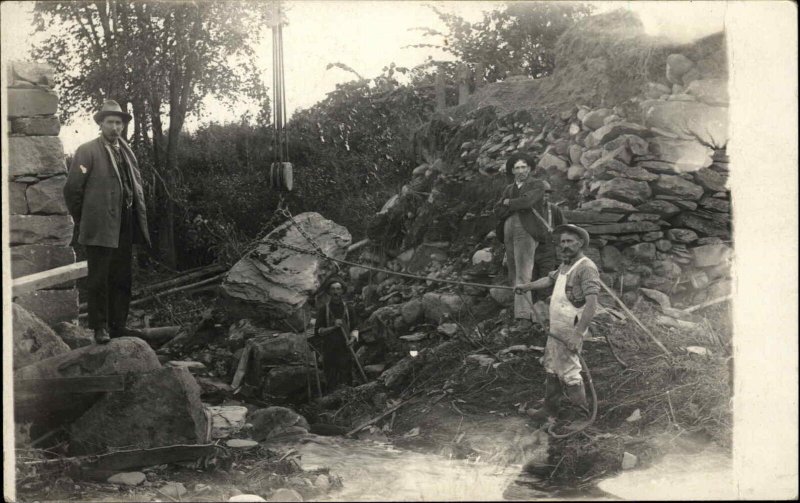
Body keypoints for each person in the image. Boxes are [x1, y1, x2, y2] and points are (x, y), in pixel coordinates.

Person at [63, 100, 150, 344]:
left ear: (123, 126)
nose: (115, 127)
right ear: (101, 124)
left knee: (122, 275)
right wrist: (85, 218)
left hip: (124, 222)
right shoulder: (87, 151)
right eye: (110, 122)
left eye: (119, 123)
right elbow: (72, 190)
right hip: (99, 225)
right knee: (99, 276)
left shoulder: (126, 151)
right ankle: (100, 327)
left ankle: (118, 325)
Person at [515, 224, 600, 424]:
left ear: (580, 243)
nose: (565, 246)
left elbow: (592, 304)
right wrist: (526, 287)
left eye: (570, 241)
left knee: (570, 371)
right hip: (556, 329)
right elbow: (549, 279)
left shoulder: (586, 267)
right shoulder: (565, 265)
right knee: (552, 366)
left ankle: (580, 415)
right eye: (562, 242)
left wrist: (578, 334)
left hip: (571, 328)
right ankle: (549, 410)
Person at [494, 153, 549, 329]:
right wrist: (511, 203)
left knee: (524, 271)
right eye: (517, 168)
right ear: (512, 170)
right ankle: (523, 313)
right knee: (513, 270)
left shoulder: (537, 184)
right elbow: (497, 210)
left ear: (530, 169)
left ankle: (524, 317)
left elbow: (527, 202)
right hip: (508, 228)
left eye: (524, 167)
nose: (521, 171)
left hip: (526, 229)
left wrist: (508, 203)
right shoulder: (508, 188)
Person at [313, 276, 359, 393]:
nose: (336, 292)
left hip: (345, 346)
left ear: (342, 291)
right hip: (329, 348)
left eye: (338, 289)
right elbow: (318, 331)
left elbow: (355, 327)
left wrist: (353, 339)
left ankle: (347, 399)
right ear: (329, 292)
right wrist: (334, 327)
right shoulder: (324, 309)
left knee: (346, 374)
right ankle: (332, 400)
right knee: (331, 376)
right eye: (333, 289)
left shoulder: (349, 308)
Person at [531, 182, 567, 303]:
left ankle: (543, 313)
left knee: (546, 282)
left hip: (547, 251)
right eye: (542, 195)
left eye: (547, 195)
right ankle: (531, 313)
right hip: (530, 251)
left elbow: (564, 228)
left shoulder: (554, 209)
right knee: (530, 282)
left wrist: (559, 243)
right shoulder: (527, 211)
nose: (545, 197)